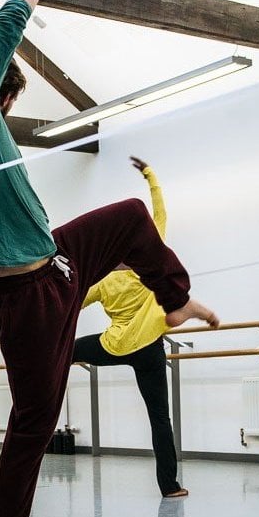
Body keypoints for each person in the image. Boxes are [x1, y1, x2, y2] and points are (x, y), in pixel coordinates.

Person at [0, 0, 219, 517]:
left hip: (52, 264)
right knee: (34, 419)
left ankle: (173, 300)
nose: (6, 112)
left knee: (126, 217)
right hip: (23, 293)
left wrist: (8, 218)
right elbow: (6, 27)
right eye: (7, 100)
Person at [73, 156, 187, 498]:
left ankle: (37, 374)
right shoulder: (149, 263)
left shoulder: (103, 279)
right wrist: (150, 174)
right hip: (150, 347)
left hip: (114, 344)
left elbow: (71, 301)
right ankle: (169, 486)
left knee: (63, 352)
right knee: (160, 418)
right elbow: (160, 214)